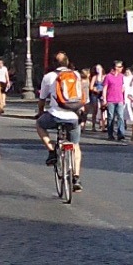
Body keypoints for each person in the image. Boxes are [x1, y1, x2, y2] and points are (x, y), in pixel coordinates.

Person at [35, 51, 83, 182]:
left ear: (54, 64)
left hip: (55, 114)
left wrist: (40, 112)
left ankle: (51, 150)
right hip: (73, 116)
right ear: (67, 62)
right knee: (75, 145)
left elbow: (42, 99)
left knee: (39, 125)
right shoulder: (76, 75)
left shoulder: (49, 77)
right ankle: (76, 177)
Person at [102, 61, 126, 141]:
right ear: (114, 67)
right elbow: (105, 88)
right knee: (110, 117)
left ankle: (121, 134)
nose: (121, 68)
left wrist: (124, 97)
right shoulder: (108, 76)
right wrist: (104, 99)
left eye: (121, 67)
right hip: (110, 100)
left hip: (120, 99)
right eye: (119, 67)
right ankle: (110, 134)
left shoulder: (122, 76)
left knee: (120, 117)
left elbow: (124, 87)